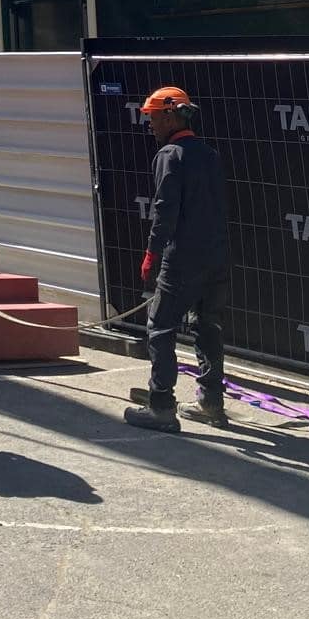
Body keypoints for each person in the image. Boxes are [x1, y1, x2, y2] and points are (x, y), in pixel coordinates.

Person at [124, 86, 231, 434]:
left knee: (160, 327)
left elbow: (165, 211)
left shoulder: (170, 156)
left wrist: (151, 254)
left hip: (183, 258)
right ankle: (211, 401)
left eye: (153, 118)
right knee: (208, 326)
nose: (150, 125)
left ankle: (161, 407)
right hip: (216, 256)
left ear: (171, 117)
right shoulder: (209, 154)